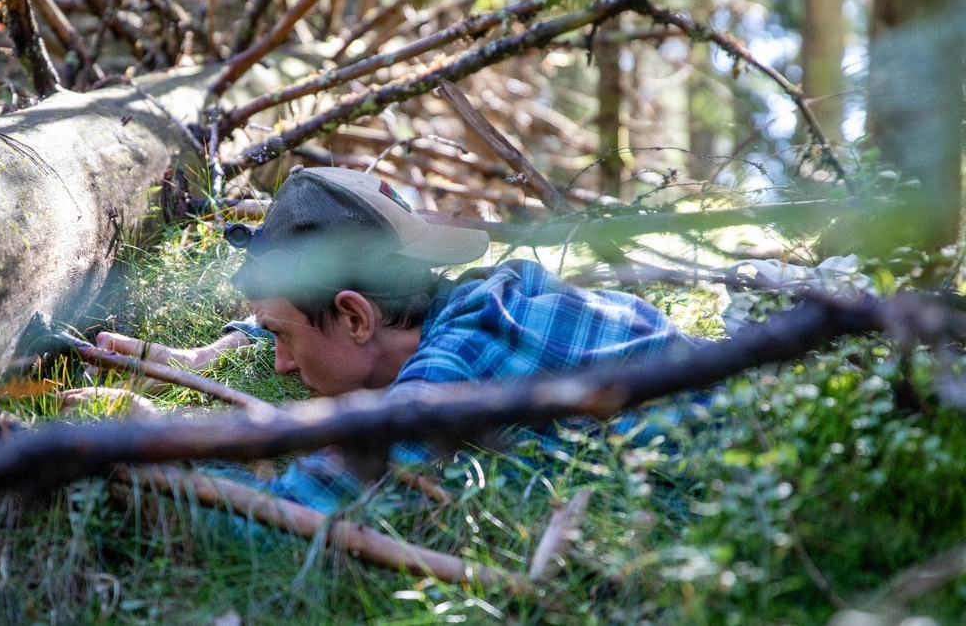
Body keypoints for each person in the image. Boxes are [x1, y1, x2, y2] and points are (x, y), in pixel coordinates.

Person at [73, 166, 709, 512]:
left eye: (282, 338)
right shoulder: (482, 300)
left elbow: (300, 520)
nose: (282, 366)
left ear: (354, 317)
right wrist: (219, 349)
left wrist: (152, 446)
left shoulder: (454, 365)